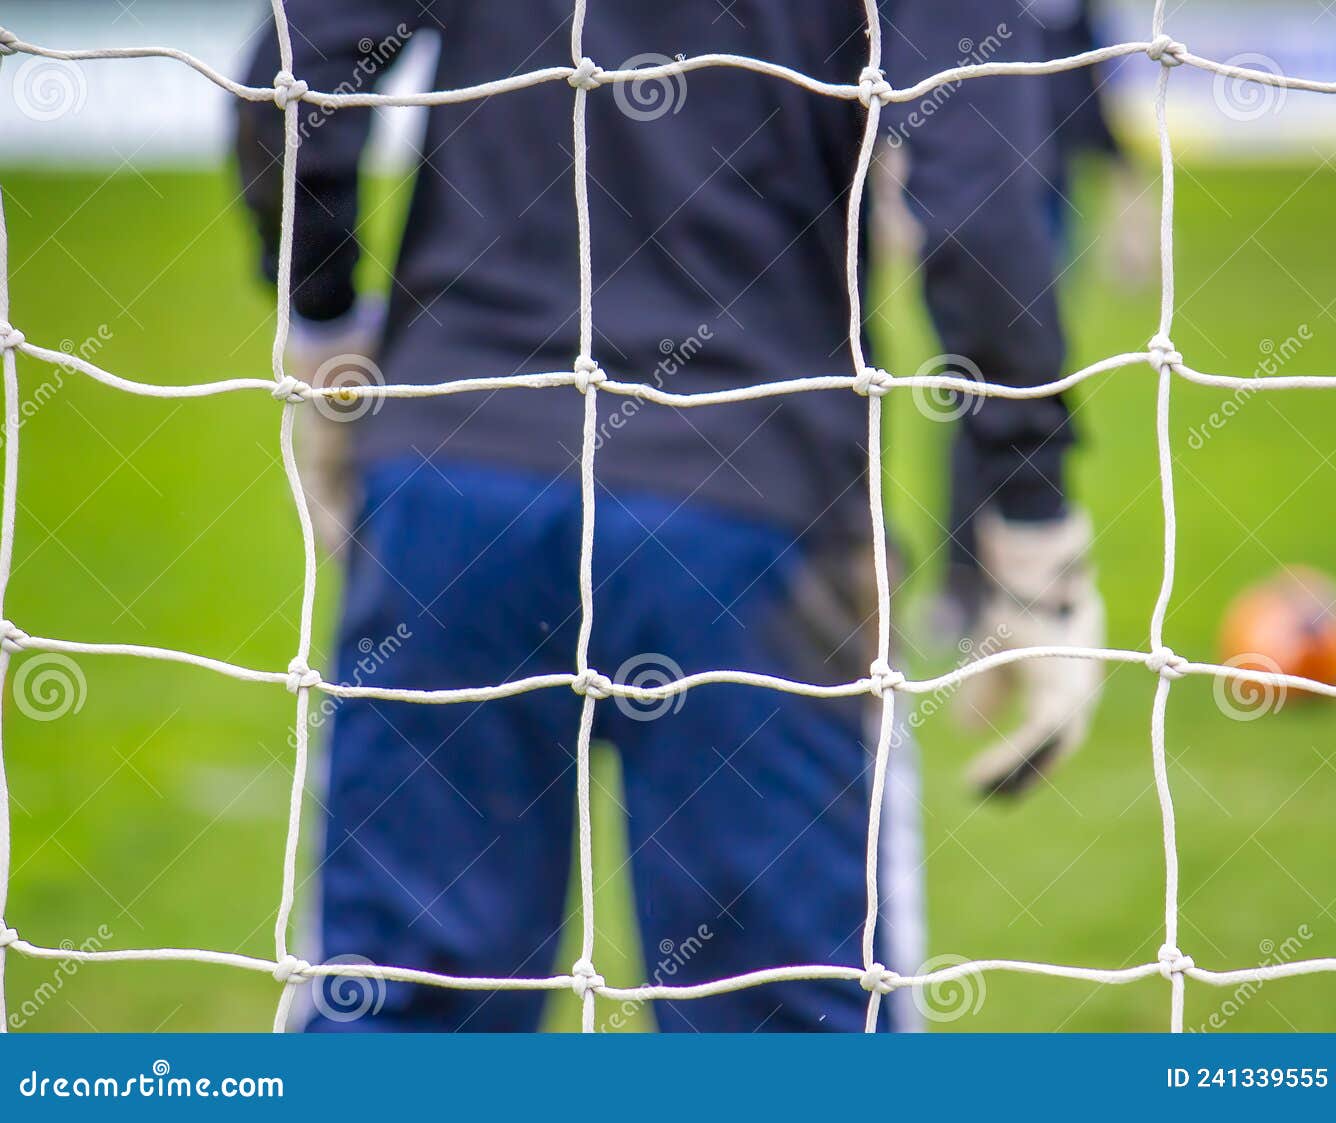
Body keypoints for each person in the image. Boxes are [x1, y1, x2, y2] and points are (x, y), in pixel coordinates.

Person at [236, 0, 1103, 1033]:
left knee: (397, 1012)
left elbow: (293, 90)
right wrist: (1033, 511)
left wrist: (326, 333)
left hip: (458, 475)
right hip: (750, 505)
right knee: (783, 1032)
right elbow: (977, 204)